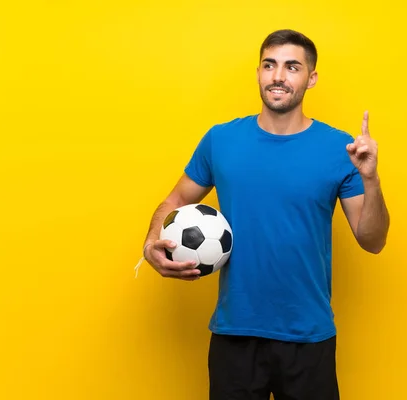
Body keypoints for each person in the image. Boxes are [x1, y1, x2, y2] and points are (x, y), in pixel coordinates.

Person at [141, 29, 390, 400]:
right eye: (269, 65)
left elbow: (372, 241)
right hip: (234, 334)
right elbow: (175, 198)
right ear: (258, 72)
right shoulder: (220, 140)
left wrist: (371, 180)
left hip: (308, 335)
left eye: (292, 67)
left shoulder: (342, 148)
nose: (278, 76)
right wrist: (151, 242)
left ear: (311, 78)